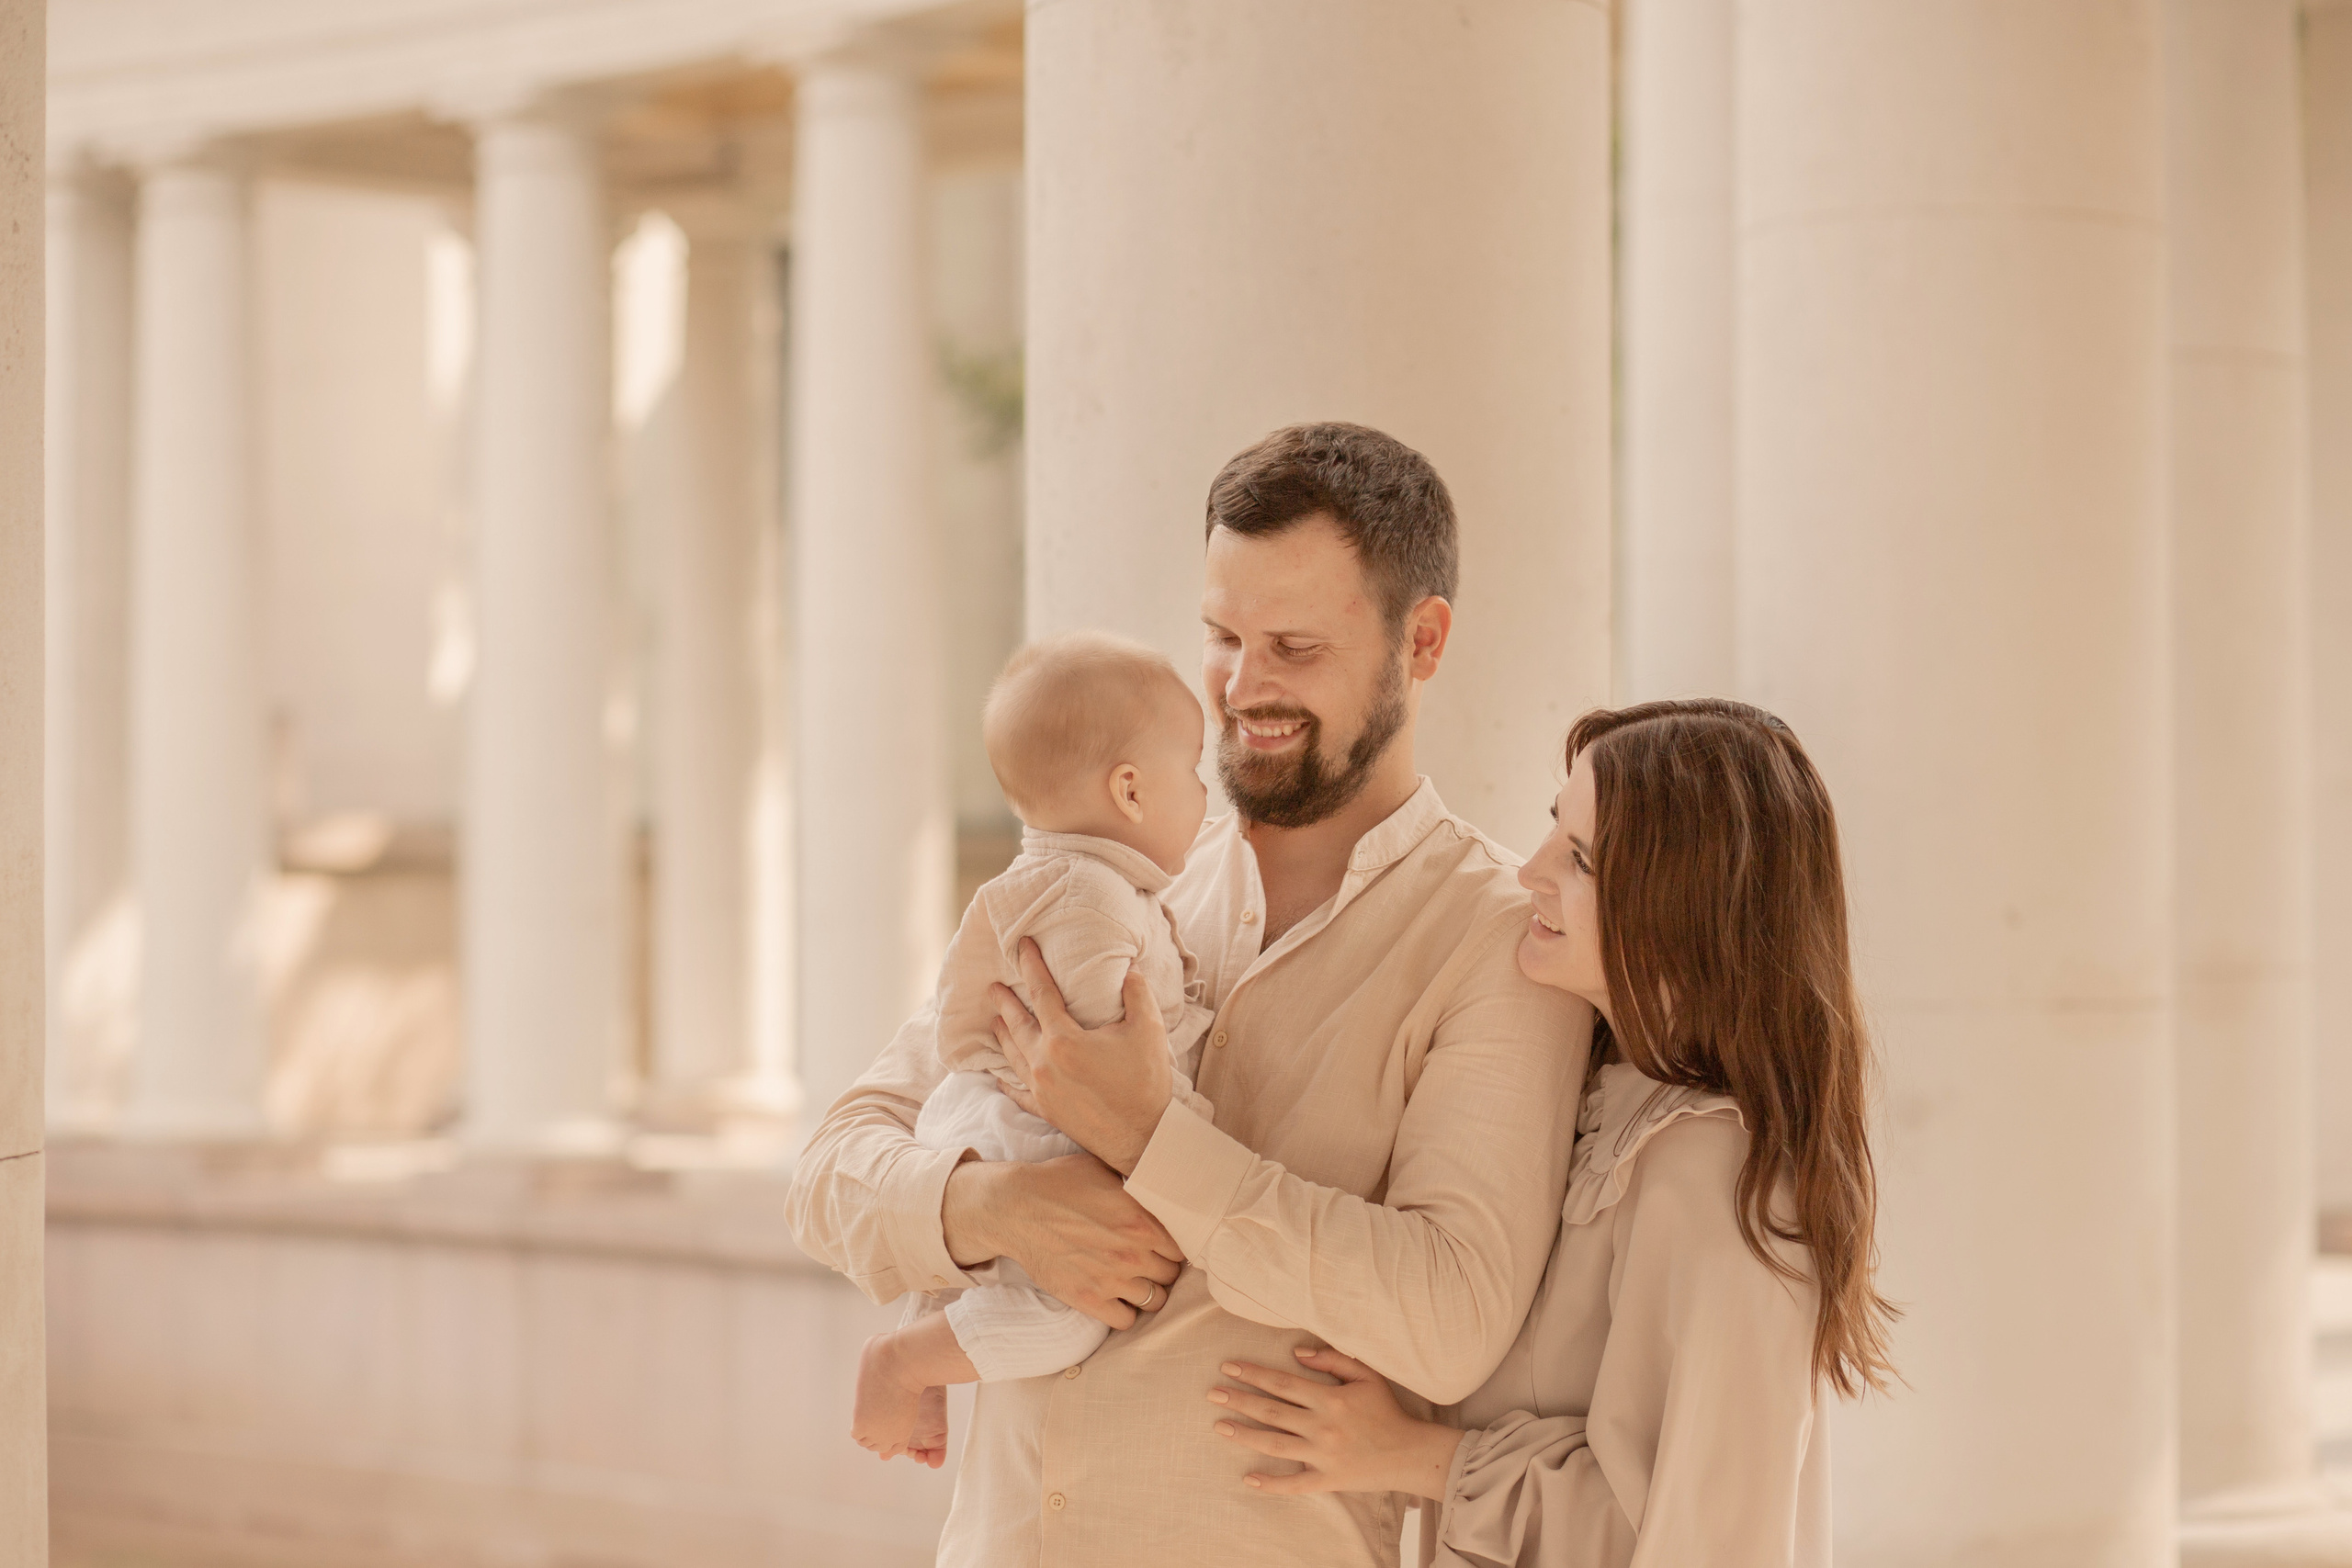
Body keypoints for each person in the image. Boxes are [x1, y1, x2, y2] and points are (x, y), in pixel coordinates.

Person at [785, 422, 1592, 1566]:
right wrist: (990, 1212)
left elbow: (1449, 1318)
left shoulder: (1496, 940)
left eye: (1295, 647)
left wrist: (1152, 1140)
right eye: (1221, 636)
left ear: (1423, 643)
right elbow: (829, 1172)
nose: (1242, 687)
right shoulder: (1088, 880)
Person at [1071, 699, 1896, 1565]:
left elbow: (1711, 1542)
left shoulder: (1713, 1168)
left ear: (1686, 903)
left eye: (1580, 860)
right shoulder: (1602, 1098)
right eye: (1553, 829)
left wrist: (1419, 1457)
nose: (1531, 872)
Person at [850, 633, 1223, 1462]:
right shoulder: (1091, 898)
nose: (1207, 794)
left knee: (977, 1276)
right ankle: (907, 1361)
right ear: (1130, 790)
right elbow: (1096, 1061)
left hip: (976, 1124)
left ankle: (926, 1355)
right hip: (1037, 1140)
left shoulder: (1062, 880)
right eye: (1195, 773)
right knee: (1073, 1312)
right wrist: (1191, 1126)